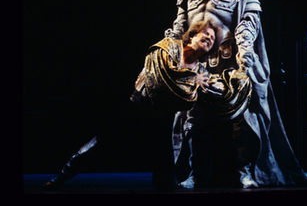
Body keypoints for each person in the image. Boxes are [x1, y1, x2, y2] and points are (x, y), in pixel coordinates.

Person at [165, 0, 307, 188]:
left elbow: (249, 19)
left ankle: (244, 171)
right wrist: (171, 47)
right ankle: (195, 173)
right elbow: (180, 23)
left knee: (241, 118)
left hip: (231, 62)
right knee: (194, 119)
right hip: (197, 64)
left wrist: (246, 48)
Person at [43, 19, 252, 192]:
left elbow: (202, 98)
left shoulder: (202, 72)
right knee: (101, 144)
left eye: (212, 39)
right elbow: (159, 76)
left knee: (165, 174)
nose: (208, 39)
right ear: (193, 35)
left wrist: (235, 83)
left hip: (161, 118)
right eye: (205, 34)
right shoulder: (169, 47)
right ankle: (62, 175)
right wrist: (190, 80)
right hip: (136, 107)